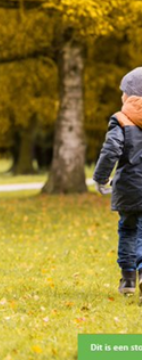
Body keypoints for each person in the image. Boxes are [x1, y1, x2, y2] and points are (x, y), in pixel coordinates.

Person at [93, 67, 142, 296]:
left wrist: (101, 178)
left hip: (129, 189)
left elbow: (111, 150)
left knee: (128, 229)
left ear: (130, 95)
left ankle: (129, 280)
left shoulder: (121, 119)